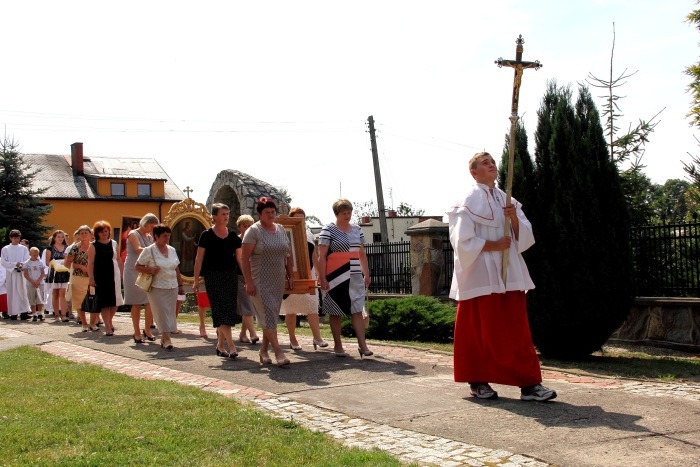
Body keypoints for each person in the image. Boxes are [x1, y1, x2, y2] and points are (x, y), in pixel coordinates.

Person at [448, 151, 556, 402]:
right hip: (480, 274)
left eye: (493, 162)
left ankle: (529, 385)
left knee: (516, 330)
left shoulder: (508, 200)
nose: (491, 165)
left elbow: (526, 237)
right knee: (478, 331)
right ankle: (477, 381)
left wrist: (514, 219)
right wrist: (492, 245)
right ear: (473, 172)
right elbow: (461, 241)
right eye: (484, 163)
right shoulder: (466, 201)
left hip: (510, 273)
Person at [317, 199, 373, 358]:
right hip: (335, 276)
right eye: (343, 213)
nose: (347, 216)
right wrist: (322, 277)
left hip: (355, 274)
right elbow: (322, 256)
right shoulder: (328, 230)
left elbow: (361, 253)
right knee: (336, 311)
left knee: (357, 310)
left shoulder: (357, 230)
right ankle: (338, 345)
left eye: (349, 212)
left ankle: (363, 346)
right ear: (337, 214)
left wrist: (366, 273)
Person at [241, 197, 292, 367]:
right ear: (259, 214)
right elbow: (245, 258)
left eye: (273, 211)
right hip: (259, 280)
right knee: (268, 316)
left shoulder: (280, 228)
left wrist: (290, 275)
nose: (271, 215)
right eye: (267, 212)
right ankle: (279, 352)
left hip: (277, 280)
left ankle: (263, 351)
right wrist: (248, 282)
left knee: (269, 317)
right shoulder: (253, 231)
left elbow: (287, 253)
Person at [192, 203, 241, 359]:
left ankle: (220, 346)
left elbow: (240, 259)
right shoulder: (206, 235)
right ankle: (232, 346)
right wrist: (195, 280)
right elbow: (198, 259)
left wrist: (247, 277)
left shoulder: (233, 236)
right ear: (214, 216)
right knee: (220, 310)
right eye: (223, 214)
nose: (226, 217)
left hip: (230, 275)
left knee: (228, 311)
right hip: (212, 276)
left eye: (227, 214)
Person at [279, 207, 327, 350]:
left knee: (312, 306)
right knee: (291, 309)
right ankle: (293, 339)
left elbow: (314, 256)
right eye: (297, 218)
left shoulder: (309, 234)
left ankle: (317, 338)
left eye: (302, 218)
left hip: (309, 273)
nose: (300, 221)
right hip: (291, 274)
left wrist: (319, 275)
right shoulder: (284, 233)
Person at [135, 224, 184, 350]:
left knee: (169, 312)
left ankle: (164, 338)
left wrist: (180, 285)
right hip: (157, 287)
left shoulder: (172, 250)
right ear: (156, 236)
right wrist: (150, 269)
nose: (167, 238)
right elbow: (137, 266)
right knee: (161, 311)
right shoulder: (149, 250)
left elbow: (176, 268)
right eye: (164, 236)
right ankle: (167, 338)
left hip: (172, 285)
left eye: (168, 235)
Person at [123, 213, 158, 343]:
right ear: (145, 223)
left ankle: (147, 329)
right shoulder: (133, 234)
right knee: (136, 302)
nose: (152, 228)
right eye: (151, 226)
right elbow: (138, 249)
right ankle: (137, 332)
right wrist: (156, 250)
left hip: (146, 271)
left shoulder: (149, 237)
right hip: (133, 270)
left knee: (150, 302)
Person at [87, 221, 124, 336]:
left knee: (115, 301)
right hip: (100, 275)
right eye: (101, 231)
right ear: (97, 233)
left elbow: (118, 259)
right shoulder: (93, 245)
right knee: (104, 302)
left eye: (106, 231)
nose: (104, 233)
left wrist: (122, 274)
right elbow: (91, 263)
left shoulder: (113, 243)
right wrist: (91, 278)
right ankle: (107, 326)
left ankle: (109, 320)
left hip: (114, 275)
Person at [235, 215, 260, 344]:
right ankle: (253, 333)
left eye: (250, 225)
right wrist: (246, 275)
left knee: (250, 306)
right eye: (245, 226)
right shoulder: (237, 241)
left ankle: (243, 333)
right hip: (240, 276)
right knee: (247, 306)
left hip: (254, 275)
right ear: (240, 227)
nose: (248, 228)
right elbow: (240, 259)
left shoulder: (255, 240)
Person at [65, 225, 94, 332]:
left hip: (91, 276)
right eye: (82, 233)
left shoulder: (94, 246)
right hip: (78, 276)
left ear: (90, 235)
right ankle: (84, 323)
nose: (84, 235)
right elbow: (68, 263)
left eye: (86, 233)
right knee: (79, 300)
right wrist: (80, 266)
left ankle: (93, 322)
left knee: (93, 299)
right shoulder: (75, 247)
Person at [1, 230, 31, 320]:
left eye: (18, 238)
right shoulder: (5, 249)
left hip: (21, 273)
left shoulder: (23, 248)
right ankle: (13, 313)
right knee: (12, 292)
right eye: (14, 238)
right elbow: (3, 262)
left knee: (22, 291)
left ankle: (24, 312)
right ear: (10, 238)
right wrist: (14, 264)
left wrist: (22, 264)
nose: (16, 240)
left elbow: (27, 259)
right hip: (11, 273)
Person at [45, 230, 71, 321]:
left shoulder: (67, 248)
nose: (60, 239)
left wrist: (64, 262)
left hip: (64, 273)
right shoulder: (50, 248)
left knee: (63, 294)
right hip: (54, 273)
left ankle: (64, 314)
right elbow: (47, 262)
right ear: (54, 238)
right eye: (58, 237)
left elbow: (69, 259)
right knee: (55, 294)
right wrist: (55, 263)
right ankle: (56, 315)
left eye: (62, 237)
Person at [23, 247, 46, 321]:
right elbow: (26, 274)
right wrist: (32, 281)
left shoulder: (40, 262)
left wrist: (38, 281)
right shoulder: (26, 263)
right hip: (30, 284)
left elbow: (43, 273)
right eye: (34, 255)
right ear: (30, 254)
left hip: (40, 283)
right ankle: (34, 313)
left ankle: (40, 313)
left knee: (40, 298)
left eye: (37, 255)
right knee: (32, 298)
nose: (35, 256)